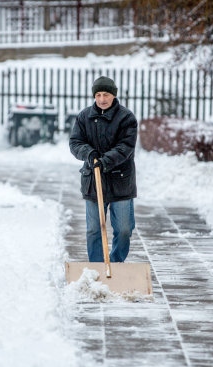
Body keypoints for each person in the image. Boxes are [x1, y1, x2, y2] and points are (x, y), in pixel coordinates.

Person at [69, 76, 138, 263]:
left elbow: (126, 147)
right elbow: (75, 142)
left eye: (106, 94)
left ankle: (116, 263)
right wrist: (89, 154)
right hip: (93, 180)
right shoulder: (84, 117)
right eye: (98, 94)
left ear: (113, 95)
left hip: (120, 182)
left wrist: (105, 161)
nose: (102, 99)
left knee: (124, 229)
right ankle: (98, 268)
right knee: (94, 229)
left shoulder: (126, 118)